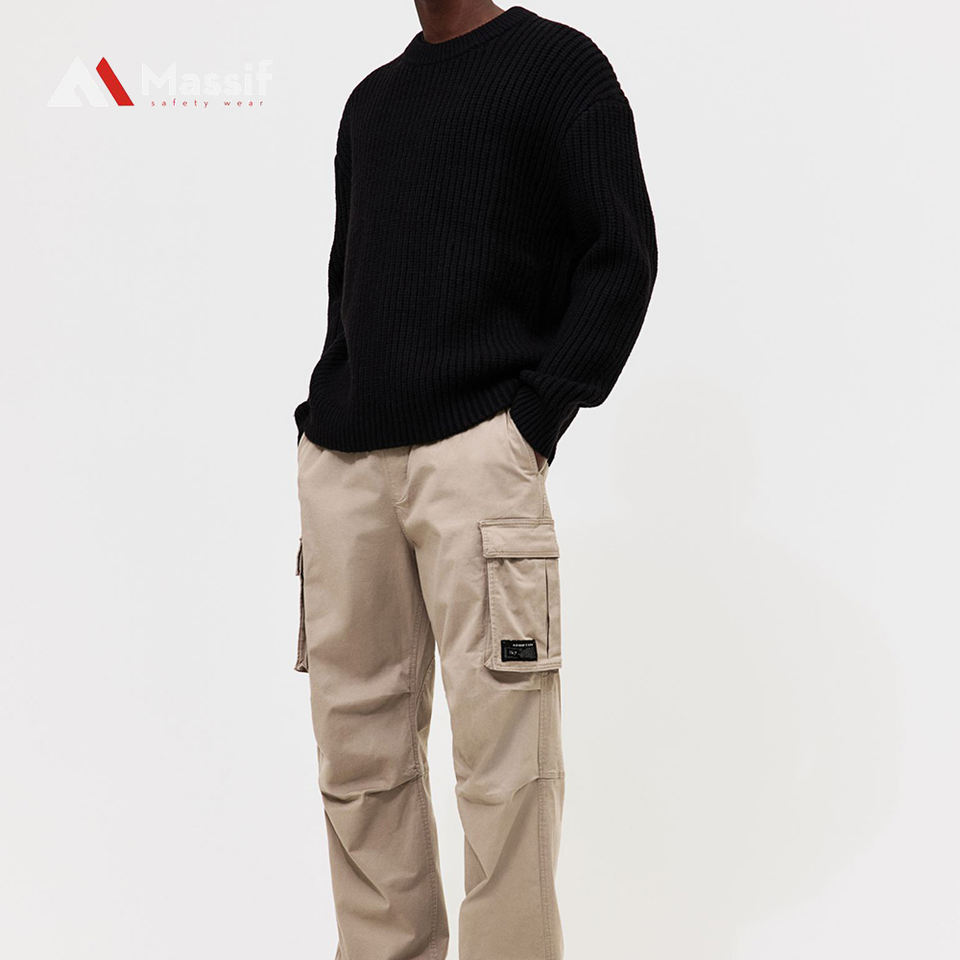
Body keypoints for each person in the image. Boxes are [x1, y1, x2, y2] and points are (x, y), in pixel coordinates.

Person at [293, 3, 657, 957]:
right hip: (344, 467)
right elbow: (349, 286)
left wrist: (536, 419)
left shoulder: (557, 69)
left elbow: (622, 255)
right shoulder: (373, 104)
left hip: (477, 459)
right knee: (358, 764)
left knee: (505, 770)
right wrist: (320, 427)